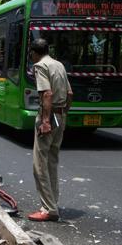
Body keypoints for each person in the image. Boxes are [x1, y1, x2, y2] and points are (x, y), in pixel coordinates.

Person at [28, 38, 73, 222]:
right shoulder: (59, 65)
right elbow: (70, 94)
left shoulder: (40, 66)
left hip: (49, 117)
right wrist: (63, 114)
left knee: (39, 164)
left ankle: (48, 209)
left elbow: (46, 93)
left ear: (34, 52)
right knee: (52, 162)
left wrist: (45, 121)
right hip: (60, 115)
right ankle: (53, 203)